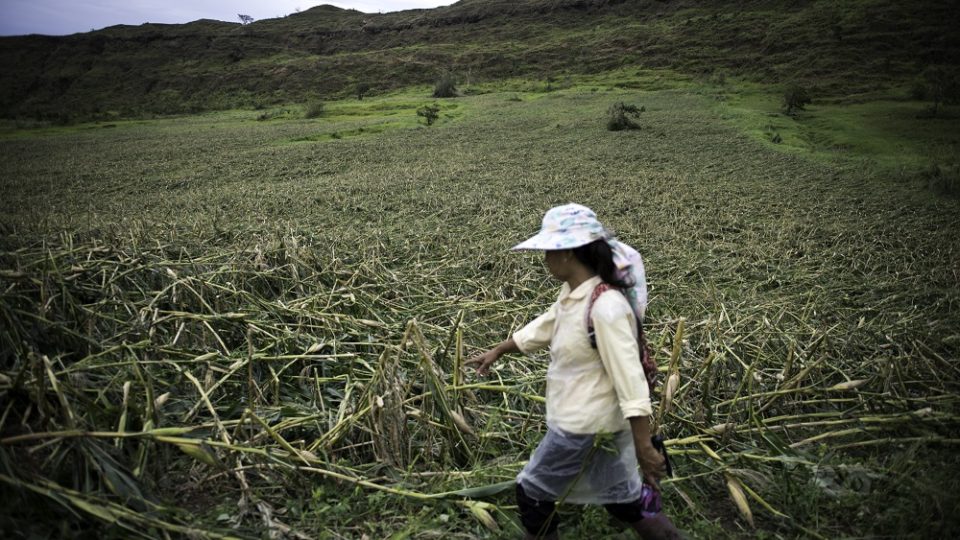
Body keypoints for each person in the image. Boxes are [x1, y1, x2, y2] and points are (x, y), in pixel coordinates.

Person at [467, 203, 682, 540]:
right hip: (597, 427)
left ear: (568, 253)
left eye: (549, 250)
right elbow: (547, 324)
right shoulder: (575, 295)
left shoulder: (606, 308)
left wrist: (643, 446)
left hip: (582, 427)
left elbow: (631, 382)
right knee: (622, 499)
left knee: (532, 493)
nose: (544, 259)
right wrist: (499, 350)